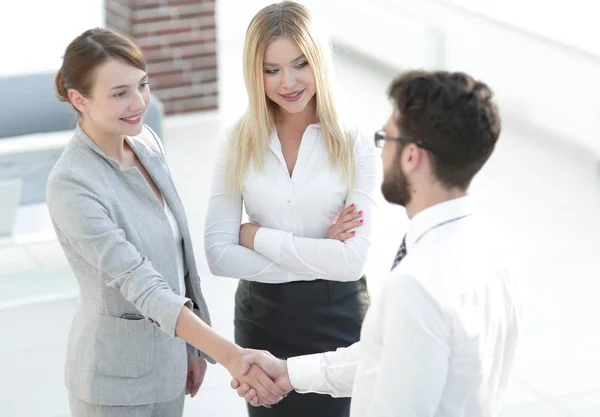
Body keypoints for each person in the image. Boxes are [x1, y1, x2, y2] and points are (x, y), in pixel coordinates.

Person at [233, 70, 524, 417]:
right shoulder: (495, 251)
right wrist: (291, 372)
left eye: (387, 138)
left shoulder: (415, 286)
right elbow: (389, 358)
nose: (381, 151)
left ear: (411, 156)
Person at [47, 27, 285, 417]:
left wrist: (190, 349)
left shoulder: (146, 144)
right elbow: (139, 281)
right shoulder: (72, 183)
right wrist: (227, 354)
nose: (138, 102)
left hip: (169, 364)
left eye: (142, 85)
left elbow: (177, 261)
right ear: (79, 99)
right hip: (112, 383)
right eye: (119, 93)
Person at [203, 2, 379, 416]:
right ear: (255, 72)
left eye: (300, 64)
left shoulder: (354, 141)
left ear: (319, 59)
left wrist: (257, 237)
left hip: (338, 321)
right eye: (271, 69)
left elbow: (352, 263)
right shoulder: (236, 140)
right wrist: (321, 253)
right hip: (263, 321)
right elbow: (218, 255)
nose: (288, 82)